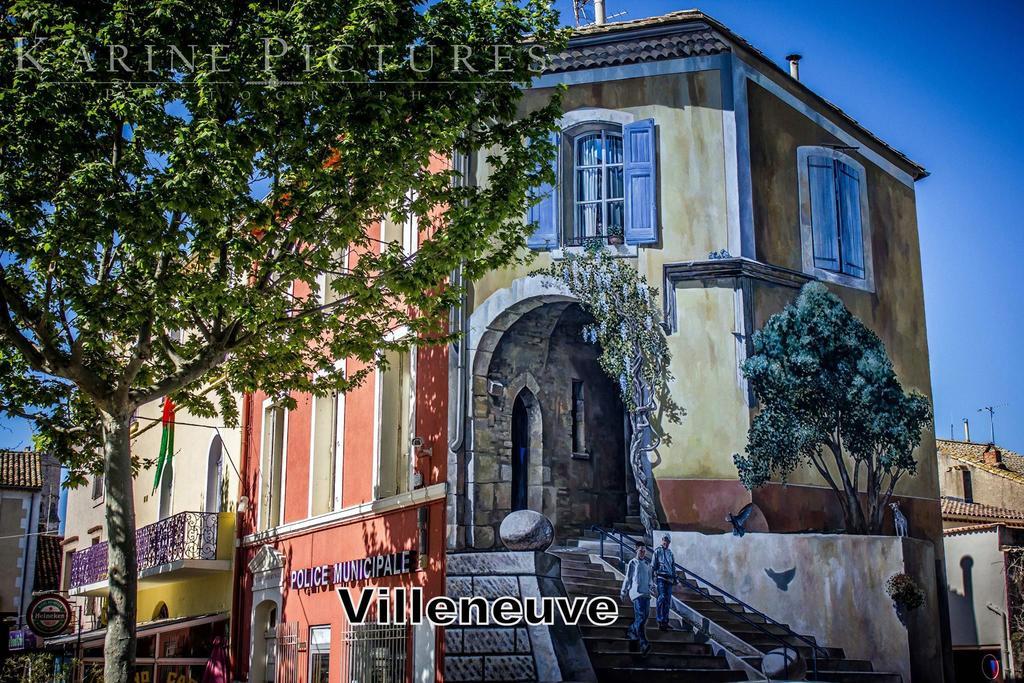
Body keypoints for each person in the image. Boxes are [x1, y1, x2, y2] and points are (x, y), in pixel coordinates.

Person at [620, 540, 652, 655]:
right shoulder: (632, 563)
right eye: (641, 550)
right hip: (636, 594)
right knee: (641, 616)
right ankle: (643, 644)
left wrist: (651, 587)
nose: (643, 552)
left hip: (646, 594)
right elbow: (628, 578)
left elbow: (650, 579)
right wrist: (623, 591)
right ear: (636, 550)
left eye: (644, 551)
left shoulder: (647, 565)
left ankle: (632, 630)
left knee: (643, 619)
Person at [652, 534, 677, 630]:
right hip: (661, 577)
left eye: (668, 541)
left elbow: (673, 567)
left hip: (669, 578)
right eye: (664, 540)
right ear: (662, 540)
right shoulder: (657, 551)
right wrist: (652, 578)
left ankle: (665, 621)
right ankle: (660, 618)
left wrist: (675, 579)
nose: (666, 542)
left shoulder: (670, 553)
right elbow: (653, 565)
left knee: (667, 601)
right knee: (662, 597)